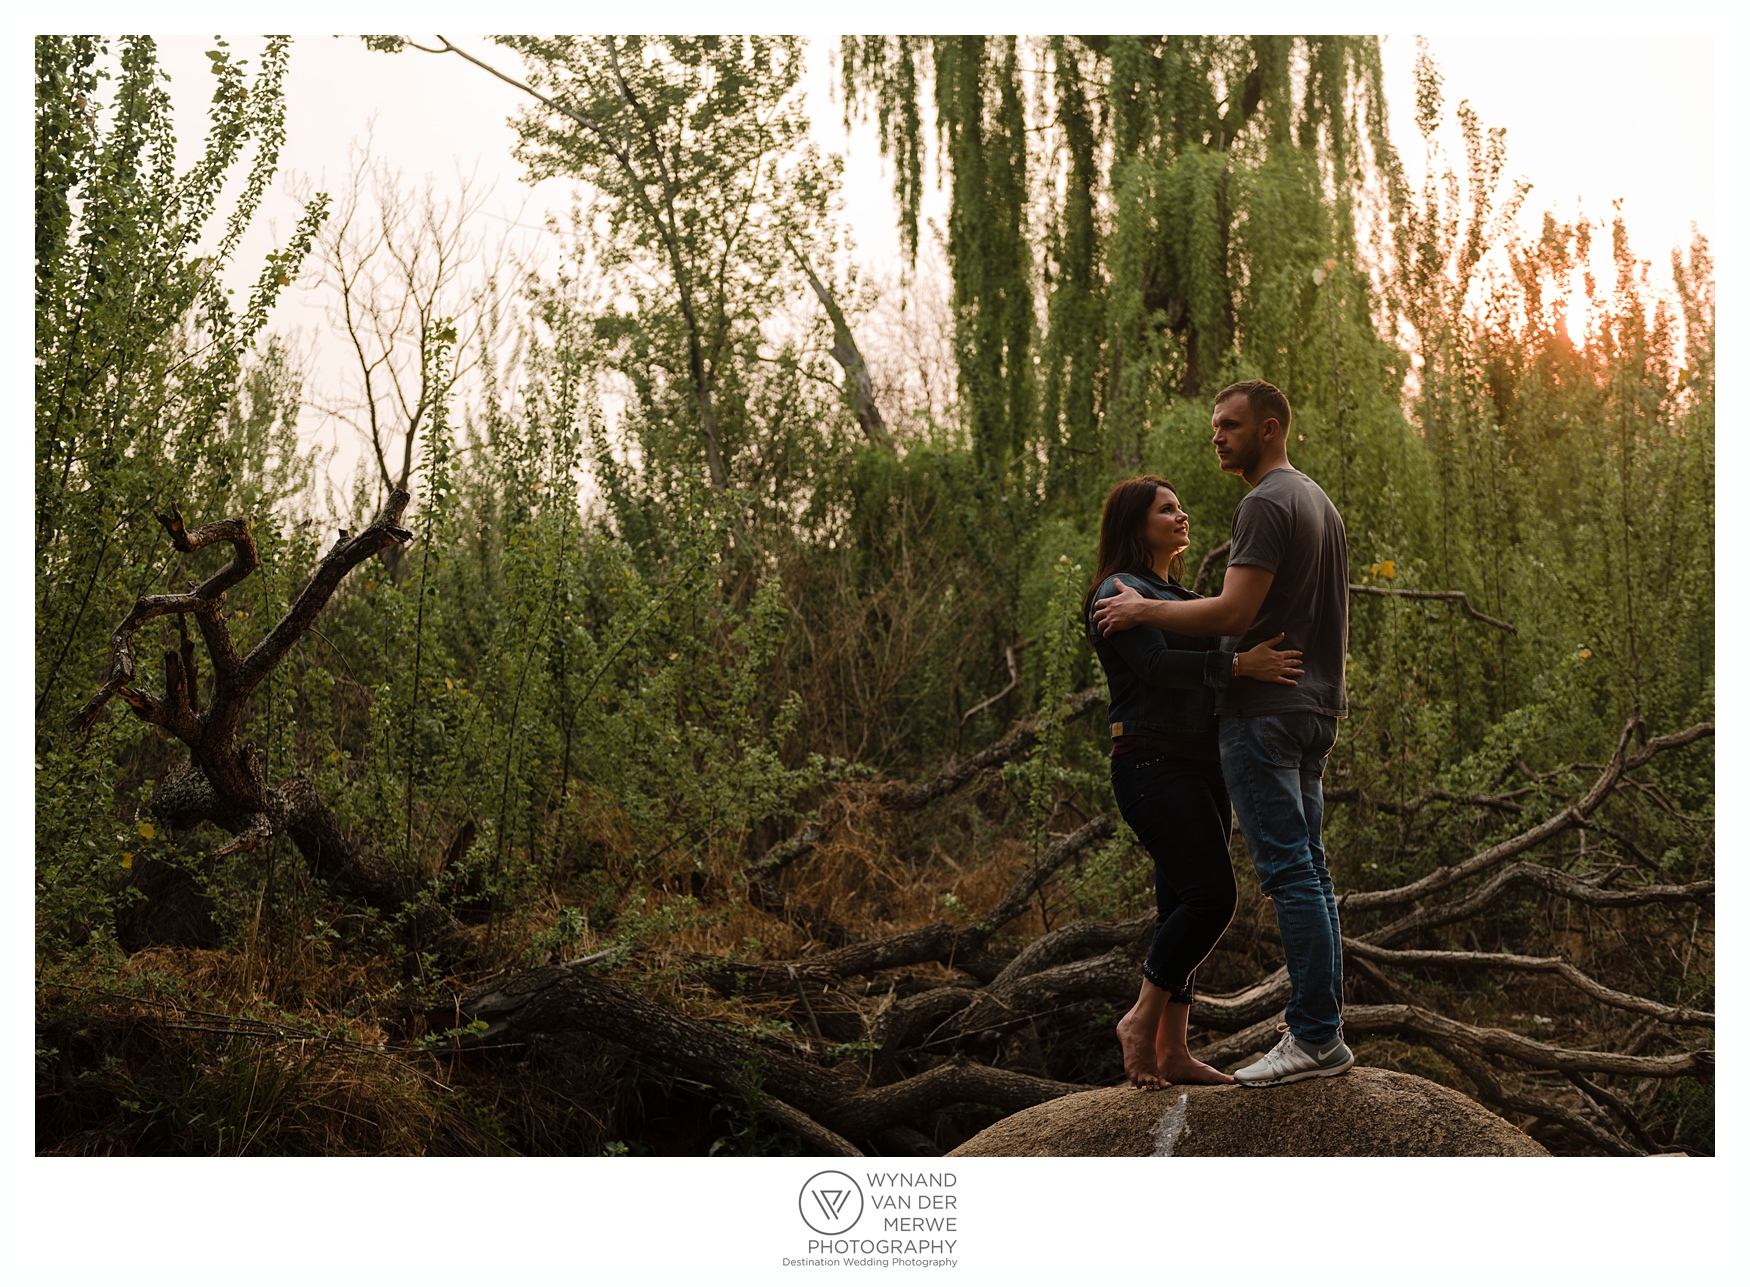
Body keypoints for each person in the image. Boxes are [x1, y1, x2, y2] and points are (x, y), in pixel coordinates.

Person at [1093, 379, 1354, 1088]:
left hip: (1265, 718)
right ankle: (1296, 1030)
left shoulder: (1266, 501)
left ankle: (1312, 1032)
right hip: (1299, 714)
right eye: (1216, 425)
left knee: (1285, 875)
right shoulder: (1319, 502)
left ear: (1270, 428)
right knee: (1293, 874)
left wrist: (1162, 619)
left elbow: (1230, 607)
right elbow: (1168, 653)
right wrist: (1219, 649)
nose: (1217, 436)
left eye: (1231, 425)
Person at [1084, 474, 1303, 1090]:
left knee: (1179, 904)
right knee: (1213, 899)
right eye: (1166, 509)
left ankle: (1173, 1049)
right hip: (1152, 763)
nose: (1182, 517)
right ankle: (1140, 1021)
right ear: (1136, 523)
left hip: (1202, 767)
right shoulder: (1118, 591)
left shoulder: (1171, 593)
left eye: (1182, 507)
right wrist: (1236, 665)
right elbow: (1153, 666)